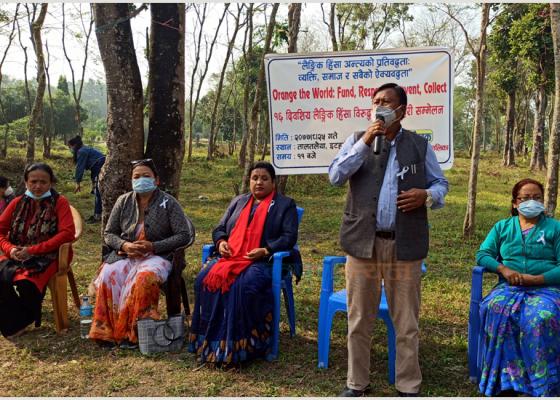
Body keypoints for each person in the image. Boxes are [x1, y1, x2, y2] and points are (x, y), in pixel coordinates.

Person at [329, 83, 449, 397]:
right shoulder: (358, 140)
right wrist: (365, 142)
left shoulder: (419, 146)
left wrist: (427, 195)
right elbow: (335, 176)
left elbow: (441, 184)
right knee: (359, 319)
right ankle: (357, 383)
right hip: (362, 244)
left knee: (406, 321)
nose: (379, 107)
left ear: (401, 111)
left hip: (404, 245)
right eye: (376, 101)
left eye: (386, 102)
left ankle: (408, 385)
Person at [188, 161, 302, 365]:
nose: (259, 182)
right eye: (255, 178)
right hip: (231, 258)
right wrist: (221, 242)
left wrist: (266, 250)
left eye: (264, 178)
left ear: (273, 182)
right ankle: (211, 340)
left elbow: (289, 237)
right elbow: (220, 228)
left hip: (264, 260)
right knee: (204, 280)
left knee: (244, 286)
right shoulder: (239, 202)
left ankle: (245, 345)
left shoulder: (285, 205)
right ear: (249, 181)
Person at [89, 159, 195, 348]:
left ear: (156, 180)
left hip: (158, 256)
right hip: (126, 255)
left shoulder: (169, 203)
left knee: (145, 278)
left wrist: (153, 246)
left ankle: (137, 333)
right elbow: (109, 233)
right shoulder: (124, 201)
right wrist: (125, 245)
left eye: (146, 176)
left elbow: (183, 235)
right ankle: (107, 331)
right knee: (107, 274)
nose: (141, 180)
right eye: (136, 177)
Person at [476, 178, 560, 397]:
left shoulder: (555, 228)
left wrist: (537, 279)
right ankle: (507, 381)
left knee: (540, 317)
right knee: (495, 310)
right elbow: (483, 254)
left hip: (547, 289)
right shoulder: (502, 227)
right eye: (525, 198)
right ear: (515, 203)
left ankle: (540, 382)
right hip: (509, 287)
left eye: (537, 198)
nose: (531, 202)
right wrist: (503, 269)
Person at [0, 163, 75, 338]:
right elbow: (1, 230)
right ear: (26, 182)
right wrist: (10, 249)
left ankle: (17, 322)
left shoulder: (60, 202)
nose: (38, 186)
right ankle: (16, 322)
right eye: (33, 181)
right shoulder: (17, 202)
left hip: (49, 255)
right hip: (18, 253)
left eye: (43, 182)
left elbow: (67, 233)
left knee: (27, 283)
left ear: (51, 183)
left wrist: (33, 250)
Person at [67, 135, 105, 224]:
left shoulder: (81, 151)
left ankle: (97, 216)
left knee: (98, 191)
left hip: (99, 166)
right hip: (99, 166)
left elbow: (80, 167)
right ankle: (99, 213)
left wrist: (77, 182)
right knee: (98, 190)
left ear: (74, 145)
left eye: (70, 147)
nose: (70, 150)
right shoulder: (85, 148)